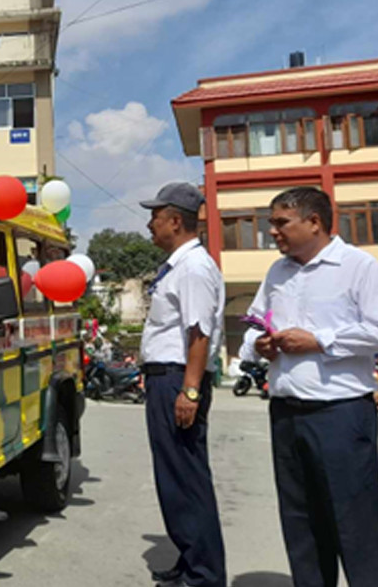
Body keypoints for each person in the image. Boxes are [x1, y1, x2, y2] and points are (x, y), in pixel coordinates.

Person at [242, 187, 378, 587]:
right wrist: (259, 345)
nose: (271, 232)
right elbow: (255, 321)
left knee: (355, 526)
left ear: (314, 222)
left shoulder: (358, 267)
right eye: (270, 223)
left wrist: (320, 341)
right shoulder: (278, 272)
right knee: (301, 525)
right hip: (286, 413)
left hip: (341, 415)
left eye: (281, 223)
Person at [138, 182, 227, 587]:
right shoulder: (179, 266)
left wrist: (189, 391)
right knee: (173, 478)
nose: (149, 224)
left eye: (155, 216)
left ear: (176, 220)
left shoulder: (193, 268)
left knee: (187, 480)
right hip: (167, 379)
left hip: (178, 379)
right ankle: (191, 562)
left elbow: (199, 333)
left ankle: (204, 574)